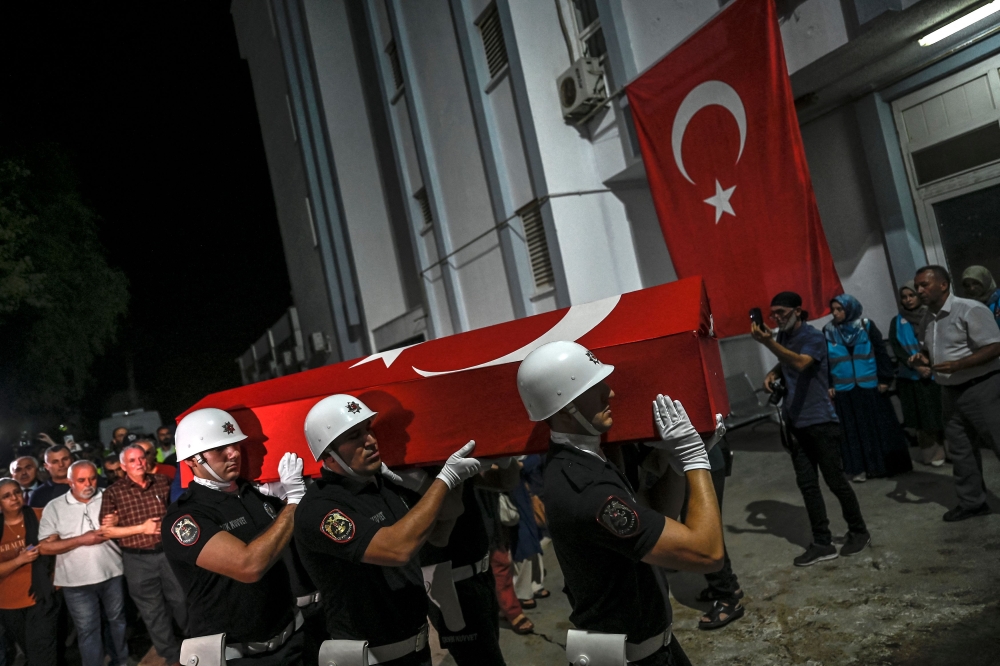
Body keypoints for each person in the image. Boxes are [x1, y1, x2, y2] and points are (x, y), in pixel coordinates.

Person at [516, 340, 724, 665]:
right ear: (564, 408)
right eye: (595, 387)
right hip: (627, 658)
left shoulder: (587, 457)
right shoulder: (586, 489)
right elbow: (707, 553)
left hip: (645, 649)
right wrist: (694, 458)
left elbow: (658, 522)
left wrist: (673, 463)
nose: (610, 393)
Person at [293, 394, 483, 666]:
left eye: (369, 429)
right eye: (354, 436)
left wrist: (451, 476)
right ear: (328, 453)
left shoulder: (384, 487)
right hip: (369, 658)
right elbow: (398, 549)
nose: (370, 440)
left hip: (416, 650)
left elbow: (439, 535)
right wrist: (445, 479)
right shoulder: (320, 509)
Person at [161, 408, 306, 665]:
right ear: (193, 460)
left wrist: (287, 497)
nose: (234, 453)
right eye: (220, 449)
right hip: (237, 656)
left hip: (292, 641)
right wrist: (293, 504)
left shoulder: (254, 493)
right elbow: (248, 566)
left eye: (235, 445)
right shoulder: (186, 517)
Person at [751, 292, 871, 566]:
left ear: (797, 310)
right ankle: (822, 542)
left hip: (820, 421)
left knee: (836, 481)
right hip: (796, 423)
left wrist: (769, 343)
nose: (777, 318)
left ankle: (859, 532)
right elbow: (787, 361)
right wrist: (775, 372)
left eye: (781, 312)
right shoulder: (782, 337)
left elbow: (803, 362)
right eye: (773, 314)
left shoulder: (813, 336)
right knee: (807, 485)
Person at [910, 266, 1000, 522]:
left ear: (943, 285)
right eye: (918, 286)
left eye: (924, 285)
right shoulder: (929, 318)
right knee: (961, 450)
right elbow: (932, 349)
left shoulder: (970, 309)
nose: (919, 291)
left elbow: (995, 346)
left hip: (981, 387)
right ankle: (973, 503)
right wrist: (923, 357)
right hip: (949, 391)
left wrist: (959, 365)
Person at [420, 460, 519, 666]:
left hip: (480, 575)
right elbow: (445, 524)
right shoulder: (413, 472)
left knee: (489, 655)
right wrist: (453, 474)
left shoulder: (445, 463)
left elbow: (505, 482)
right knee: (481, 661)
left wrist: (507, 456)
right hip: (448, 584)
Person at [99, 444, 186, 666]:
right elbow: (106, 531)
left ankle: (197, 644)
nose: (139, 463)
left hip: (167, 553)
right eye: (132, 460)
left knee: (183, 601)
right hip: (136, 559)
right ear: (122, 466)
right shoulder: (113, 492)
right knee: (152, 612)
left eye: (141, 458)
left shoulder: (163, 482)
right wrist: (142, 528)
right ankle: (172, 657)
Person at [38, 461, 129, 666]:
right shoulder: (55, 507)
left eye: (92, 478)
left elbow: (130, 526)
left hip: (112, 572)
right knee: (88, 630)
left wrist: (119, 522)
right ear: (69, 482)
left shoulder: (110, 495)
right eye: (81, 480)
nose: (88, 484)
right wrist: (81, 539)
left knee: (117, 622)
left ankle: (121, 661)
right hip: (76, 582)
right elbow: (44, 547)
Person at [824, 294, 913, 481]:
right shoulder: (828, 330)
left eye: (839, 309)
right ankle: (858, 469)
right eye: (833, 309)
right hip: (844, 389)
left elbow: (881, 353)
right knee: (852, 431)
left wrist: (884, 379)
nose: (835, 313)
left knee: (877, 427)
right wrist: (829, 384)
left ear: (851, 309)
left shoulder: (866, 326)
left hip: (870, 386)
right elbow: (825, 361)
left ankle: (880, 467)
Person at [0, 478, 58, 666]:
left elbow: (57, 543)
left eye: (17, 492)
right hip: (9, 602)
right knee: (30, 652)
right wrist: (19, 560)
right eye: (6, 496)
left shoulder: (40, 515)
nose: (14, 498)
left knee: (42, 652)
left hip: (40, 596)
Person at [889, 281, 946, 466]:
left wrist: (930, 365)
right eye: (904, 297)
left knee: (944, 413)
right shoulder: (896, 321)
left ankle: (953, 451)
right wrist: (917, 367)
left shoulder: (933, 315)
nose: (908, 300)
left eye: (911, 295)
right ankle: (933, 455)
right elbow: (897, 348)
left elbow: (942, 341)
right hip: (912, 377)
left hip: (937, 373)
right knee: (924, 419)